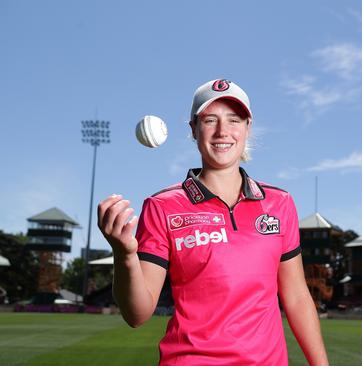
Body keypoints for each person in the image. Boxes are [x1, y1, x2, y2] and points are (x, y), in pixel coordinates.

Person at [98, 78, 329, 365]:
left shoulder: (279, 203)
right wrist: (125, 255)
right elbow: (137, 314)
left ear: (247, 128)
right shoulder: (162, 206)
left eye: (234, 120)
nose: (223, 131)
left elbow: (296, 297)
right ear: (194, 129)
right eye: (210, 119)